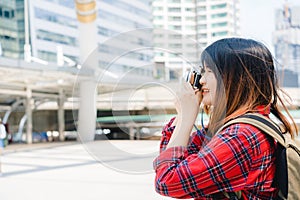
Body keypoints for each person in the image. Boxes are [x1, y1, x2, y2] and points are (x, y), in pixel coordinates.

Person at [153, 38, 298, 199]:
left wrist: (186, 118)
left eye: (209, 71)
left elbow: (167, 181)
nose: (201, 80)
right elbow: (170, 159)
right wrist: (182, 117)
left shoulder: (241, 136)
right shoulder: (231, 128)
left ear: (235, 78)